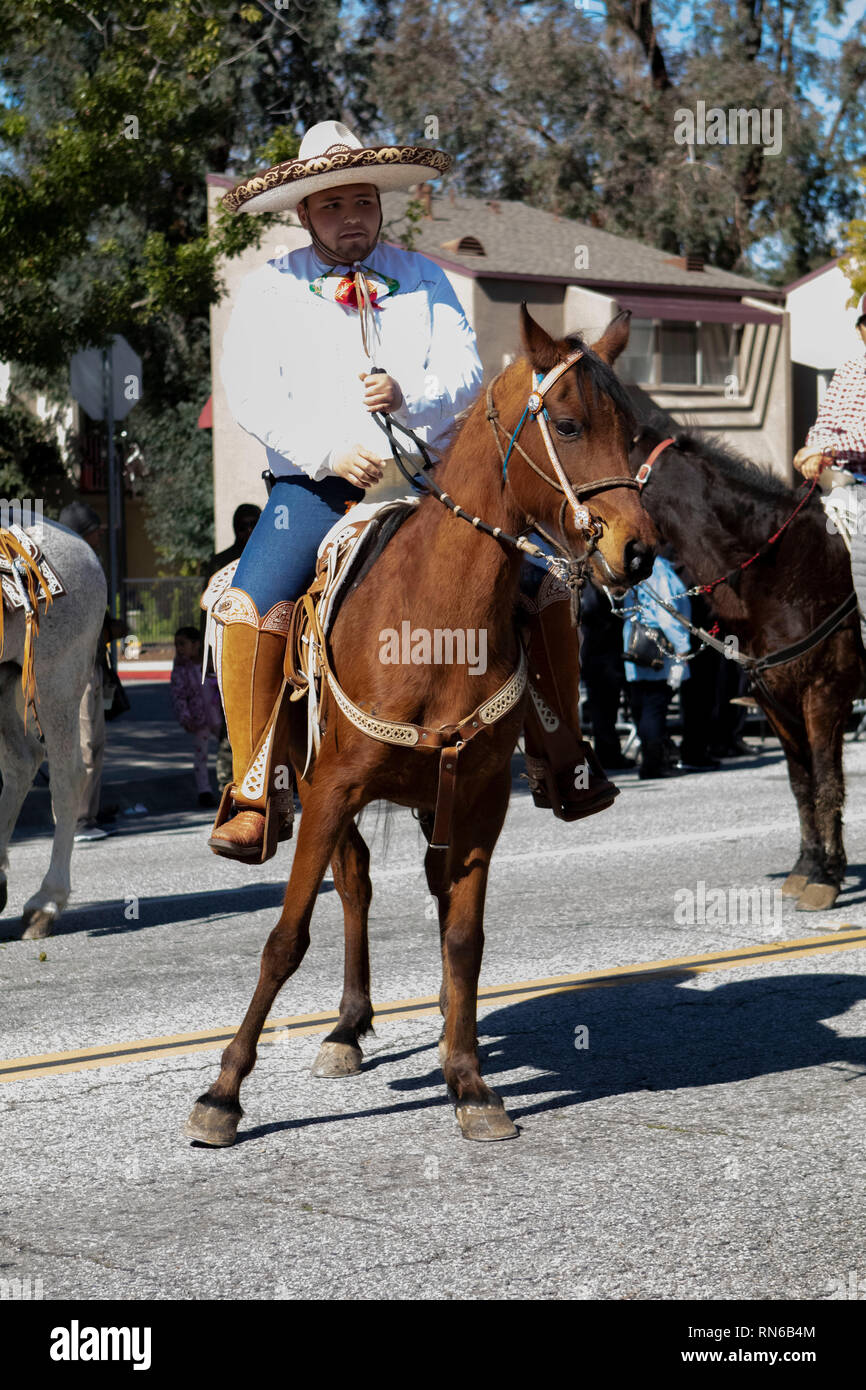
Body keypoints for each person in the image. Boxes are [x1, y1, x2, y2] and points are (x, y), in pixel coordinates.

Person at [208, 119, 618, 861]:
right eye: (331, 206)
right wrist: (328, 449)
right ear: (304, 213)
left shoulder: (426, 277)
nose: (350, 216)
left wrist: (410, 394)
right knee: (247, 603)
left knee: (548, 584)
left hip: (435, 485)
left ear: (379, 204)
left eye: (362, 201)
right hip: (316, 489)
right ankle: (253, 790)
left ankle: (566, 758)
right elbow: (250, 394)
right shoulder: (271, 289)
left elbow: (466, 375)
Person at [794, 292, 866, 635]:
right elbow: (825, 421)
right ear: (860, 330)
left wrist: (826, 452)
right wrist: (812, 451)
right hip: (836, 477)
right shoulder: (850, 370)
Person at [58, 501, 126, 842]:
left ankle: (89, 815)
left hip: (94, 665)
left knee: (95, 745)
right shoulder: (65, 565)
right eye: (96, 529)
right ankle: (74, 821)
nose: (101, 534)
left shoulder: (87, 563)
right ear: (83, 533)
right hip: (76, 668)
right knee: (82, 746)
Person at [200, 503, 261, 794]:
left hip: (264, 643)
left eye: (254, 524)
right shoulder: (220, 562)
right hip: (229, 648)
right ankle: (228, 782)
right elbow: (207, 613)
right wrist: (208, 655)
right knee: (230, 719)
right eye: (243, 526)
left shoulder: (270, 556)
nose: (248, 531)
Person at [623, 554, 691, 780]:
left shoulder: (631, 564)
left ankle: (652, 757)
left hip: (634, 641)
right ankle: (653, 764)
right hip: (658, 645)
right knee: (655, 705)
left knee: (642, 705)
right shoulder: (657, 568)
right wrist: (682, 646)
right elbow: (667, 611)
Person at [170, 627, 222, 808]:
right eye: (177, 645)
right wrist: (185, 717)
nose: (179, 648)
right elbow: (179, 695)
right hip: (199, 720)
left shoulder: (210, 664)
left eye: (183, 644)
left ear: (196, 644)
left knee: (228, 750)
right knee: (201, 755)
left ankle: (230, 785)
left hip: (219, 717)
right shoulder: (180, 670)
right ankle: (204, 791)